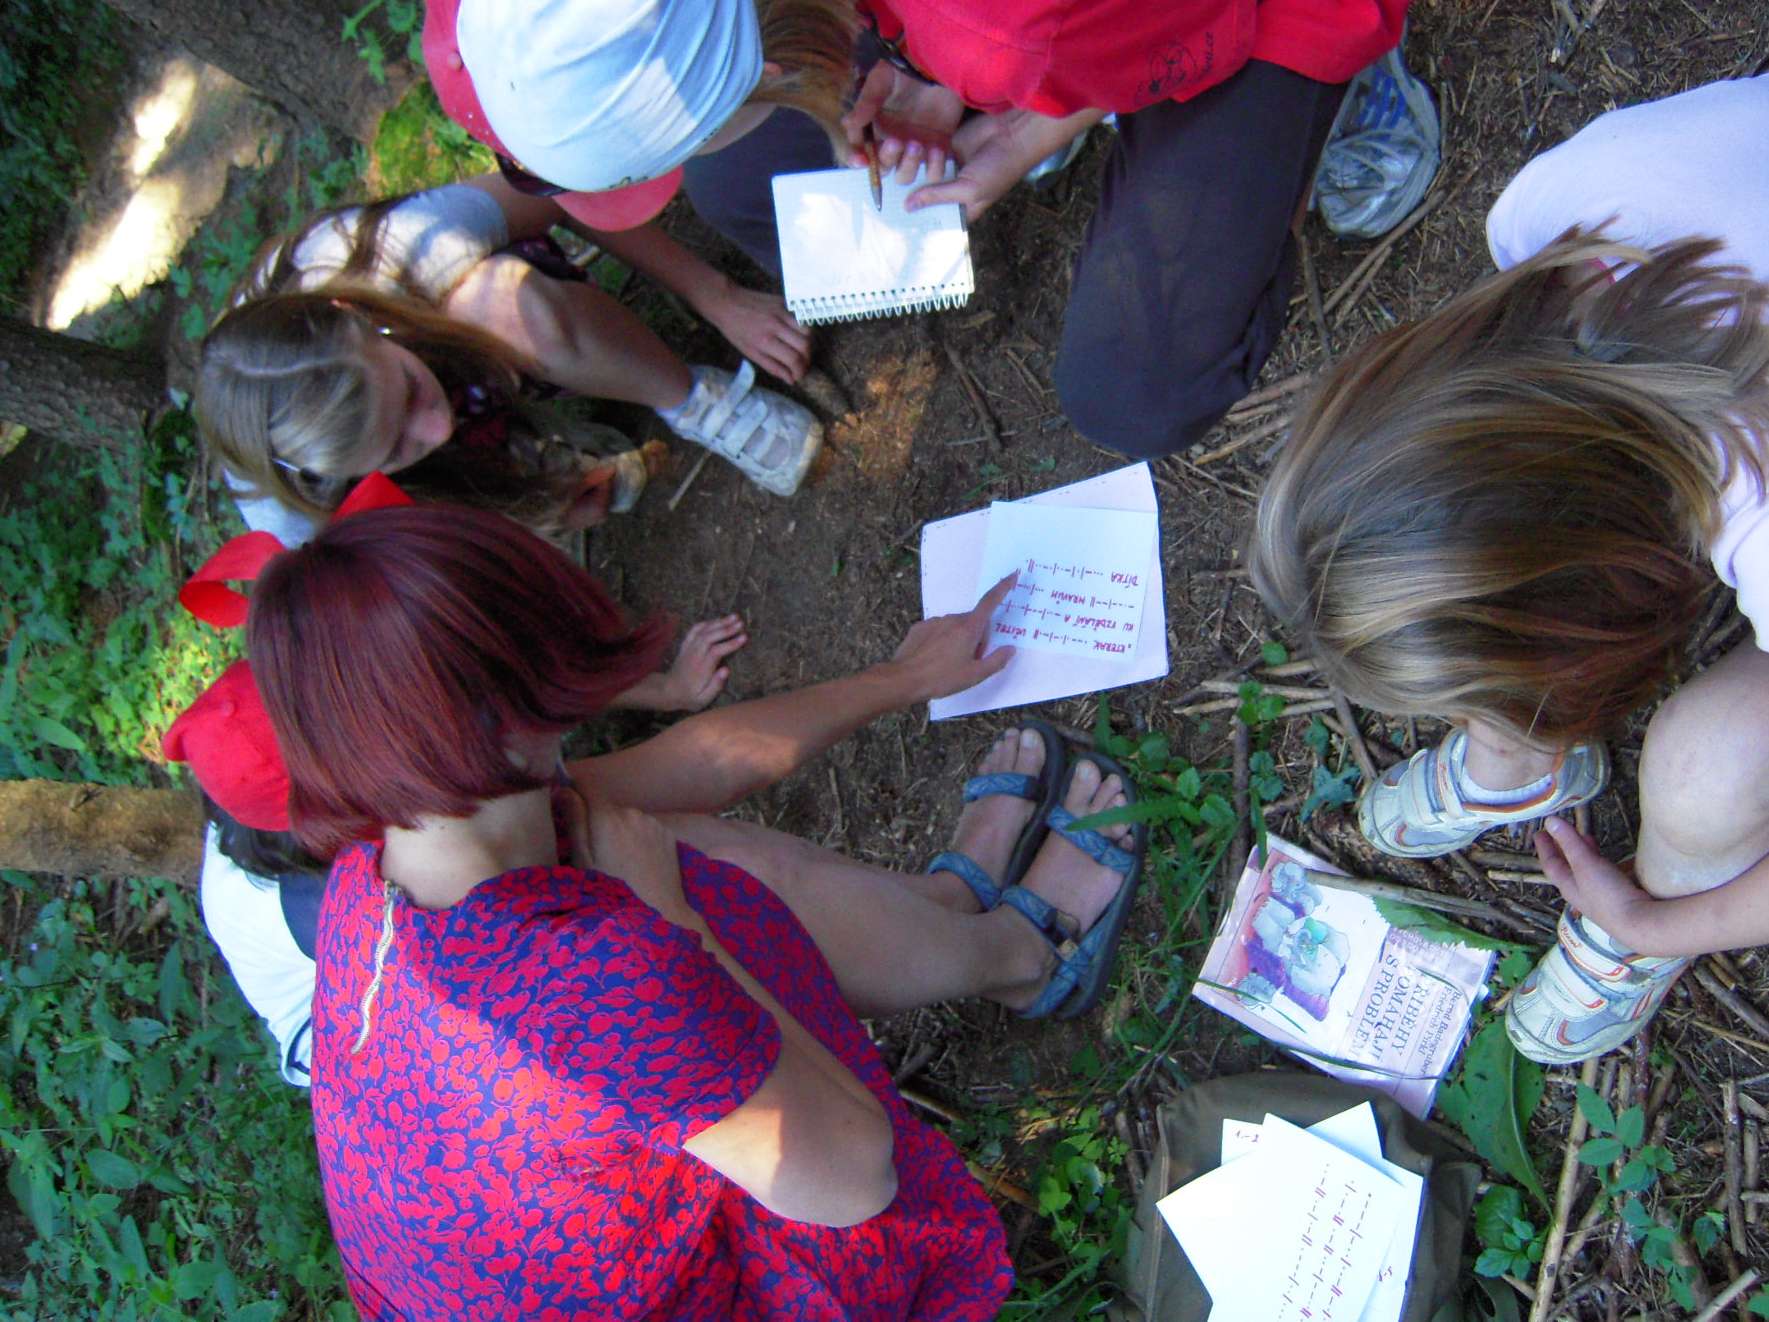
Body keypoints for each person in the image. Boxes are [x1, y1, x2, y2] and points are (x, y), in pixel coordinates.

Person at [1250, 71, 1769, 1065]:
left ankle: (1653, 900)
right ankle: (1513, 764)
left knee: (1714, 767)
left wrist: (1655, 923)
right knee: (1456, 573)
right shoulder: (1548, 218)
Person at [241, 504, 1143, 1317]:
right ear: (503, 711)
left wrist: (901, 678)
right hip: (719, 1281)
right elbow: (855, 1175)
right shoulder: (592, 982)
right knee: (691, 889)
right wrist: (676, 924)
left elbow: (693, 766)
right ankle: (1024, 956)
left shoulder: (384, 864)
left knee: (661, 845)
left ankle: (949, 910)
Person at [434, 0, 1429, 460]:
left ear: (758, 74)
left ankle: (1339, 84)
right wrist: (941, 72)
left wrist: (1025, 123)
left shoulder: (1003, 36)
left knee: (1133, 393)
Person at [167, 621, 745, 1086]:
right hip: (376, 1038)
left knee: (600, 809)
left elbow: (504, 690)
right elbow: (498, 953)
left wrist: (665, 688)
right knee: (632, 886)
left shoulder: (268, 777)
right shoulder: (343, 898)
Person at [196, 168, 825, 538]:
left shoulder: (392, 251)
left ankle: (689, 399)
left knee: (497, 304)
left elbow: (552, 191)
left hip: (458, 330)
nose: (436, 429)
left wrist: (716, 296)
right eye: (394, 450)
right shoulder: (298, 517)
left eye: (410, 395)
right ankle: (528, 457)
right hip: (425, 417)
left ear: (354, 315)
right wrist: (521, 508)